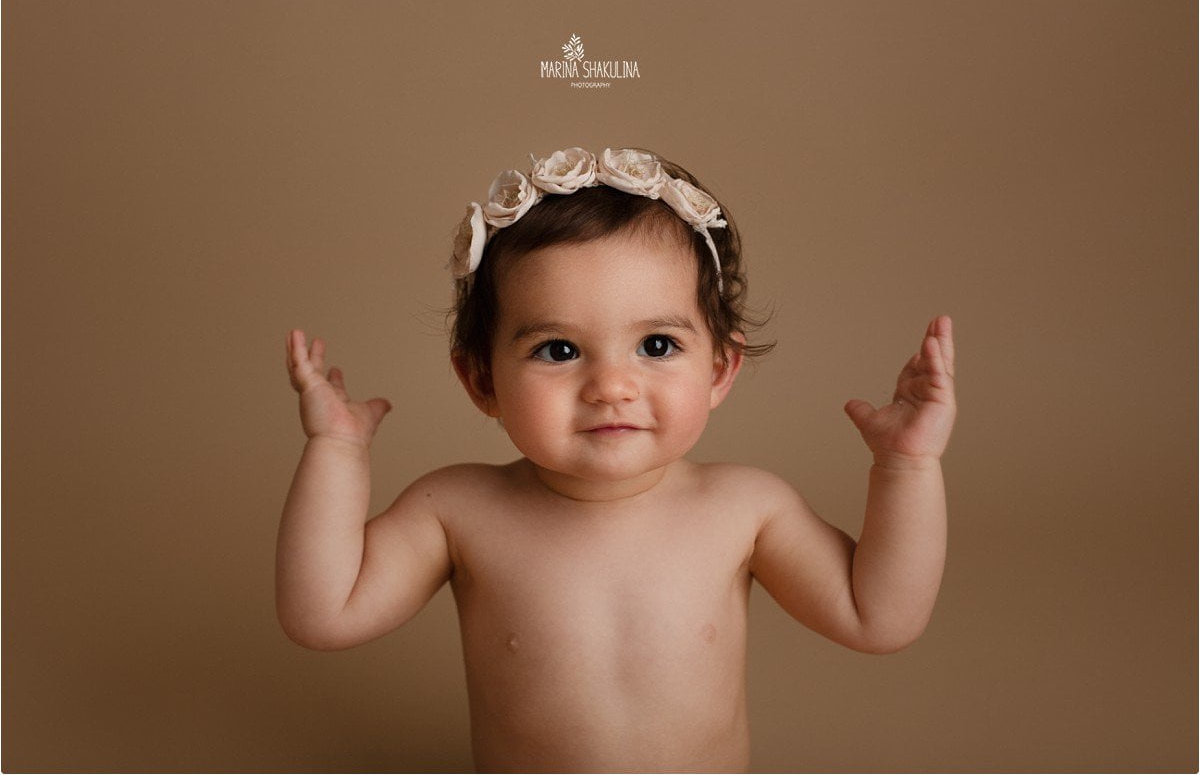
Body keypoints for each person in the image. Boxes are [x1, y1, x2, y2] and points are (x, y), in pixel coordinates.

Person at [277, 147, 956, 771]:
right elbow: (323, 614)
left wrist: (907, 468)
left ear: (720, 368)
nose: (612, 387)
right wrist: (336, 453)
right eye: (559, 350)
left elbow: (879, 617)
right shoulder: (457, 511)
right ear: (482, 380)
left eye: (657, 345)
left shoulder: (746, 508)